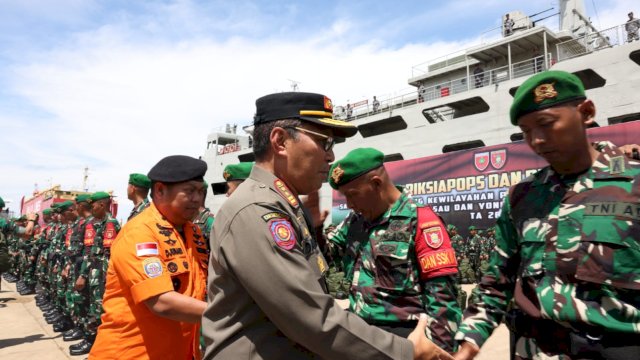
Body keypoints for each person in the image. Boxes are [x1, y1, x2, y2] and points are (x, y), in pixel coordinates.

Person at [203, 91, 452, 360]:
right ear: (280, 141)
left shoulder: (281, 205)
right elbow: (309, 316)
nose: (331, 156)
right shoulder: (257, 209)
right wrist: (407, 352)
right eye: (324, 142)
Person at [454, 70, 640, 360]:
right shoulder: (522, 197)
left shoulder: (634, 184)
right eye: (526, 132)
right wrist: (467, 345)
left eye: (546, 124)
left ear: (586, 112)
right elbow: (496, 283)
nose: (537, 140)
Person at [326, 147, 461, 352]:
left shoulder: (420, 220)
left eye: (352, 195)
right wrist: (316, 227)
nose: (349, 204)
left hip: (403, 336)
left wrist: (439, 351)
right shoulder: (355, 221)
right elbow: (328, 255)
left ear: (376, 183)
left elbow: (443, 300)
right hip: (361, 333)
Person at [90, 156, 209, 359]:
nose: (197, 199)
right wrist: (229, 313)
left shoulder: (193, 232)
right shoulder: (140, 232)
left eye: (200, 191)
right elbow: (161, 301)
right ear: (160, 190)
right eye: (190, 191)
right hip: (132, 353)